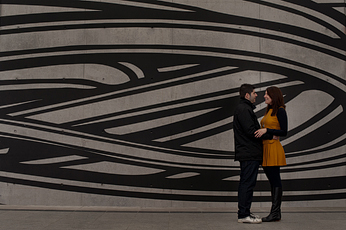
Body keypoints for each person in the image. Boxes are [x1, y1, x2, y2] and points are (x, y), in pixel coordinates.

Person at [233, 84, 273, 224]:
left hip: (249, 152)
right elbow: (252, 131)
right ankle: (243, 214)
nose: (257, 95)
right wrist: (269, 134)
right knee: (247, 183)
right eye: (254, 93)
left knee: (247, 182)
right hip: (248, 153)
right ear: (247, 95)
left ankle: (245, 212)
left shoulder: (245, 108)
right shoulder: (244, 109)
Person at [255, 86, 288, 222]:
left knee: (275, 180)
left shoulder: (280, 111)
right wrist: (268, 133)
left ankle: (275, 213)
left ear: (273, 96)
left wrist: (267, 130)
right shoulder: (269, 110)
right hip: (266, 148)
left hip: (273, 148)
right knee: (272, 181)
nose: (264, 96)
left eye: (267, 94)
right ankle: (275, 213)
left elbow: (284, 131)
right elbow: (270, 132)